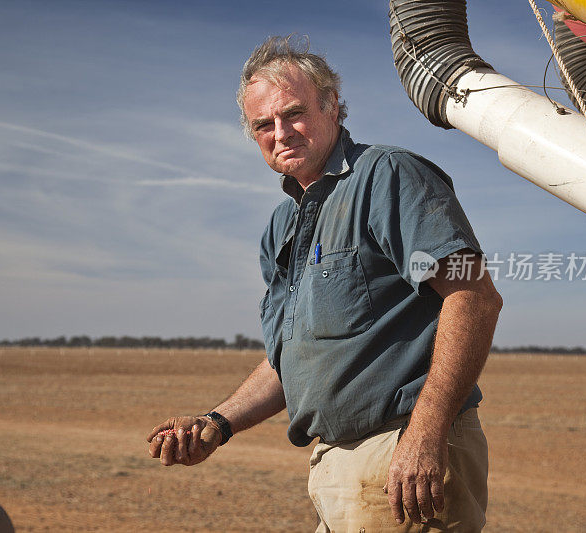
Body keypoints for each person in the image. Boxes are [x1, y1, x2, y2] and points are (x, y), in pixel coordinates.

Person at [147, 35, 502, 532]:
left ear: (333, 106)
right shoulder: (281, 226)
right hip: (334, 466)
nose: (281, 132)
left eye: (293, 113)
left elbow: (474, 295)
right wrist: (217, 424)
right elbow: (293, 359)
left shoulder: (387, 176)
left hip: (403, 456)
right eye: (263, 125)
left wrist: (424, 434)